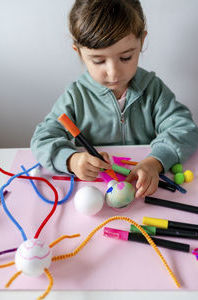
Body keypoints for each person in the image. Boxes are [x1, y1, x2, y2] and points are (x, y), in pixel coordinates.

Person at [31, 0, 198, 199]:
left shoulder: (152, 89)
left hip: (141, 188)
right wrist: (72, 161)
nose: (113, 73)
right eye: (99, 61)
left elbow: (184, 129)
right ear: (79, 53)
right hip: (96, 190)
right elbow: (42, 139)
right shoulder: (76, 96)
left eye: (126, 57)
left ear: (141, 42)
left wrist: (155, 161)